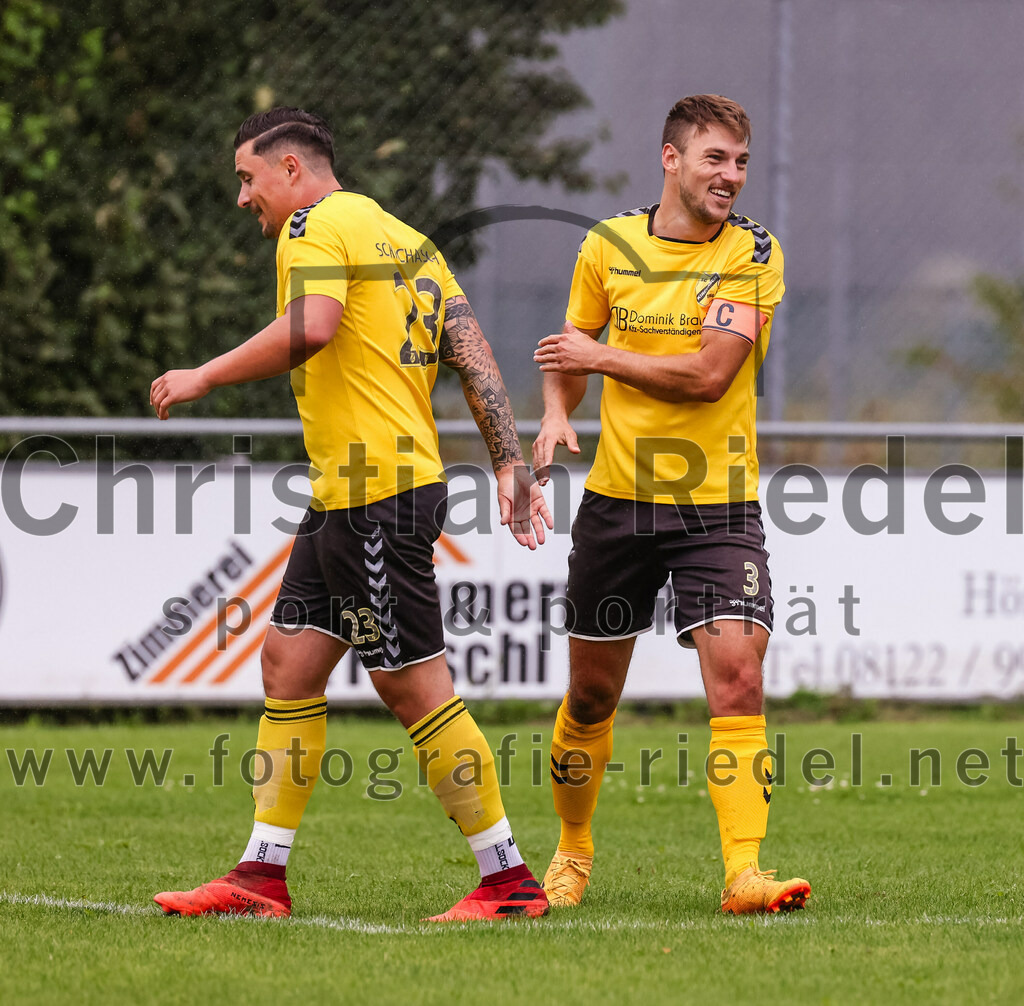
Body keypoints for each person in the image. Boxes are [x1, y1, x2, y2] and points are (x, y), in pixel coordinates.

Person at [150, 107, 552, 922]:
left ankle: (508, 881)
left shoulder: (313, 224)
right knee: (289, 665)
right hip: (352, 494)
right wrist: (508, 459)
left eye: (247, 179)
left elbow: (312, 328)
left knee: (413, 688)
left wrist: (203, 375)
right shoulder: (408, 241)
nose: (243, 198)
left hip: (377, 496)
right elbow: (469, 350)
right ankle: (260, 878)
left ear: (291, 169)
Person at [532, 94, 810, 915]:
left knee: (738, 680)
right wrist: (555, 410)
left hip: (717, 507)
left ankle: (744, 873)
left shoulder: (753, 252)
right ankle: (573, 852)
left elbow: (708, 376)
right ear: (671, 159)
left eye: (741, 162)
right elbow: (565, 351)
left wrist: (599, 356)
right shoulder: (607, 245)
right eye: (715, 159)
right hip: (617, 504)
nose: (731, 176)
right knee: (590, 698)